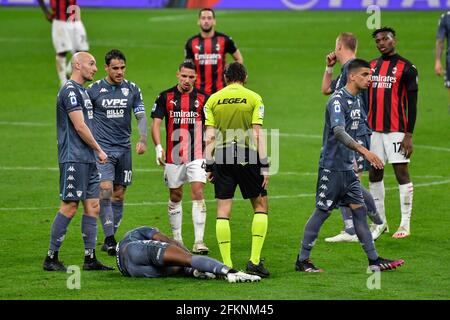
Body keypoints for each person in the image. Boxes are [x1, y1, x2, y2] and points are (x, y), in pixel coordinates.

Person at [294, 59, 405, 273]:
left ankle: (374, 261)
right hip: (332, 168)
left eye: (370, 74)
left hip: (347, 168)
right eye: (365, 75)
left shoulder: (356, 100)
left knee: (359, 212)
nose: (369, 79)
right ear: (352, 76)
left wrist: (356, 160)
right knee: (322, 212)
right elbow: (338, 131)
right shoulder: (337, 101)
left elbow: (357, 130)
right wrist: (365, 152)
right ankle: (302, 260)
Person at [43, 52, 113, 272]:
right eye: (91, 64)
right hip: (73, 158)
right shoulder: (70, 91)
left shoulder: (83, 91)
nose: (95, 68)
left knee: (93, 206)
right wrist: (100, 149)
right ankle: (51, 257)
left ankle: (89, 258)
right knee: (70, 206)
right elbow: (80, 126)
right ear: (77, 65)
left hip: (88, 159)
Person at [204, 62, 270, 278]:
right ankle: (254, 261)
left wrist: (210, 164)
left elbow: (210, 136)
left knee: (223, 211)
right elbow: (257, 134)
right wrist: (265, 165)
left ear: (225, 77)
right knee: (260, 205)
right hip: (246, 154)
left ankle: (226, 264)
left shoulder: (213, 100)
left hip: (222, 155)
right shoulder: (254, 97)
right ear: (245, 76)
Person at [321, 33, 382, 243]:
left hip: (355, 131)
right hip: (349, 131)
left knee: (352, 179)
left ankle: (372, 223)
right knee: (348, 179)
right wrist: (328, 68)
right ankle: (352, 229)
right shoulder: (349, 70)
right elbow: (326, 90)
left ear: (339, 45)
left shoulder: (355, 71)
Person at [87, 49, 148, 256]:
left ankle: (109, 236)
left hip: (124, 150)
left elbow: (140, 116)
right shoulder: (93, 90)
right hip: (103, 151)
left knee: (119, 194)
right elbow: (82, 119)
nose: (119, 72)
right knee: (105, 190)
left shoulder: (132, 89)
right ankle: (111, 239)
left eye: (122, 68)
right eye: (115, 68)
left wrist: (142, 138)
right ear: (106, 68)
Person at [151, 61, 209, 255]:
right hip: (173, 155)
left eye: (191, 77)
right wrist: (158, 147)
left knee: (198, 191)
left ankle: (199, 241)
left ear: (196, 78)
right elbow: (156, 124)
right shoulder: (165, 97)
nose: (187, 80)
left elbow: (210, 128)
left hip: (197, 154)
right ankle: (177, 239)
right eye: (184, 76)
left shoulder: (203, 98)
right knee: (175, 195)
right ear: (178, 75)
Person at [368, 27, 418, 240]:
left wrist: (409, 134)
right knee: (375, 174)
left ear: (393, 40)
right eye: (378, 40)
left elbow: (413, 104)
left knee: (401, 173)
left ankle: (405, 224)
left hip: (397, 131)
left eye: (385, 39)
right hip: (374, 131)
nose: (381, 43)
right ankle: (380, 222)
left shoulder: (407, 68)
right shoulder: (371, 66)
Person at [116, 226, 261, 283]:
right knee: (187, 259)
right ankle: (231, 272)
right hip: (135, 251)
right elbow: (164, 240)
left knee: (178, 268)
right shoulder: (141, 231)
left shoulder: (128, 238)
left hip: (131, 270)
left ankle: (197, 272)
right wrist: (188, 254)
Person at [185, 8, 244, 95]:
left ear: (214, 21)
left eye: (209, 18)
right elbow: (188, 68)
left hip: (221, 91)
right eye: (203, 18)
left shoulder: (225, 40)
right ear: (198, 21)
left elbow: (239, 59)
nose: (206, 21)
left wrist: (230, 74)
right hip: (198, 93)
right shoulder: (191, 42)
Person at [38, 0, 89, 86]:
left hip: (75, 19)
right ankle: (63, 82)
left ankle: (68, 71)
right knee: (62, 51)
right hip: (60, 21)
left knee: (83, 51)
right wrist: (46, 12)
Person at [435, 11, 450, 113]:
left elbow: (440, 41)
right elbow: (440, 41)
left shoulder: (445, 17)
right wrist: (438, 61)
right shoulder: (445, 18)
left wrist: (438, 61)